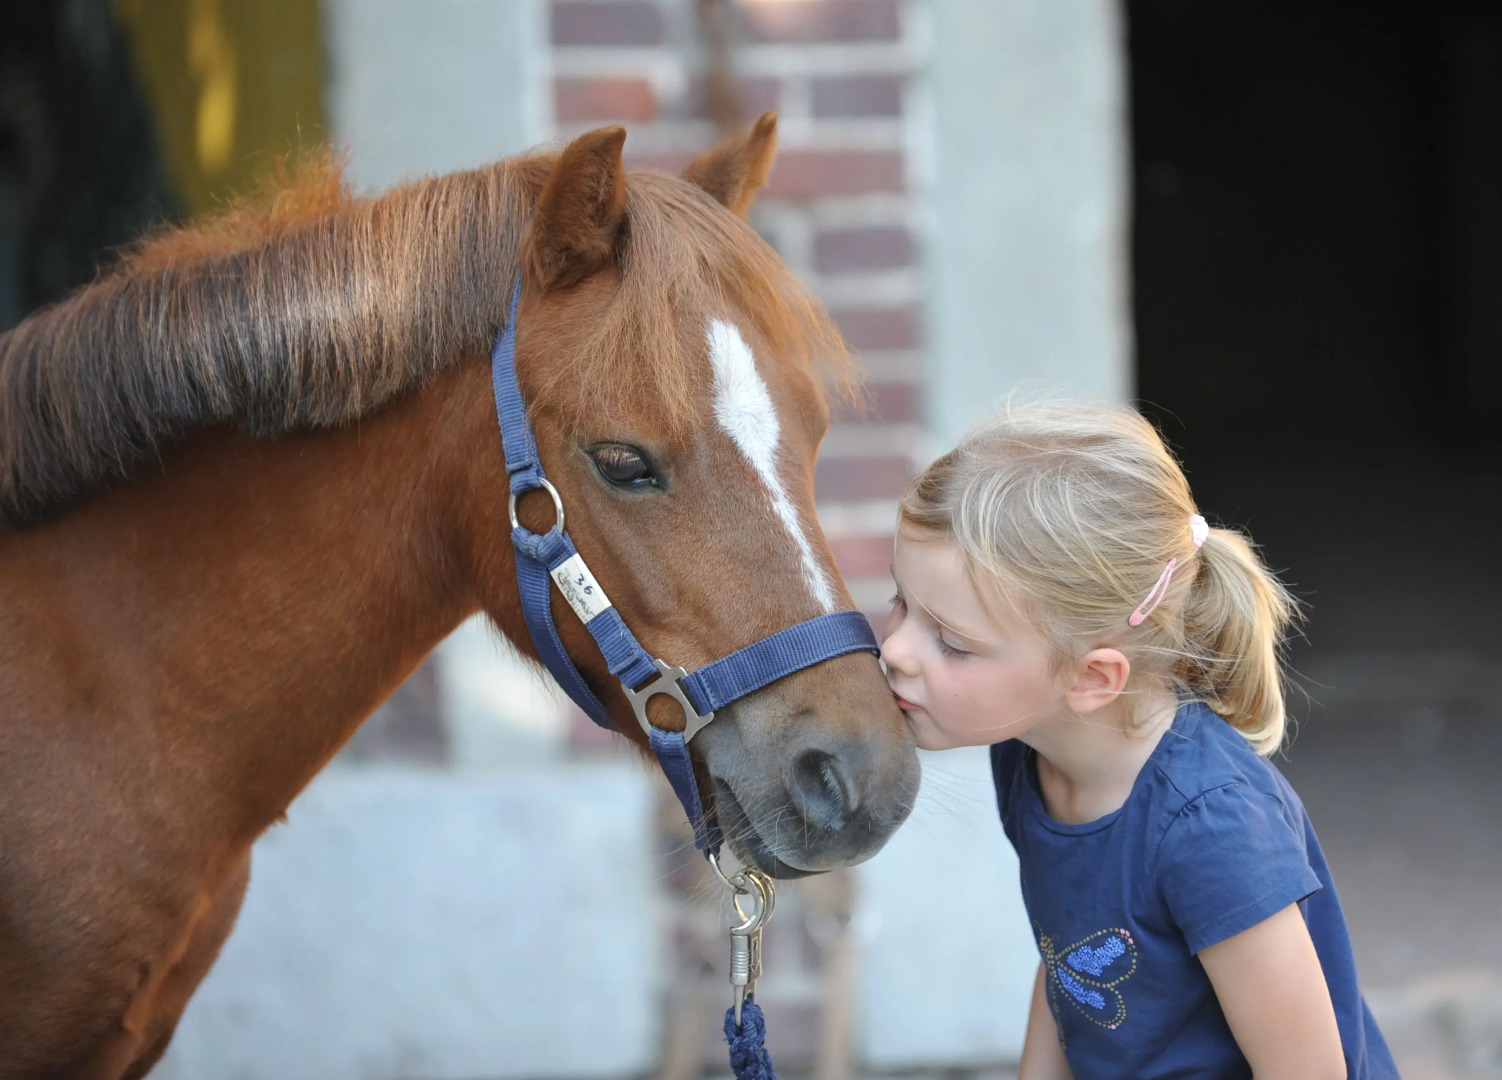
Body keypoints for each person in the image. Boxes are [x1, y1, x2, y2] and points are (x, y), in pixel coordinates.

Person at [880, 401, 1397, 1079]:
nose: (895, 649)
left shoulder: (1211, 830)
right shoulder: (1030, 757)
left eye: (951, 641)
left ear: (1092, 678)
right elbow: (1068, 961)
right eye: (900, 602)